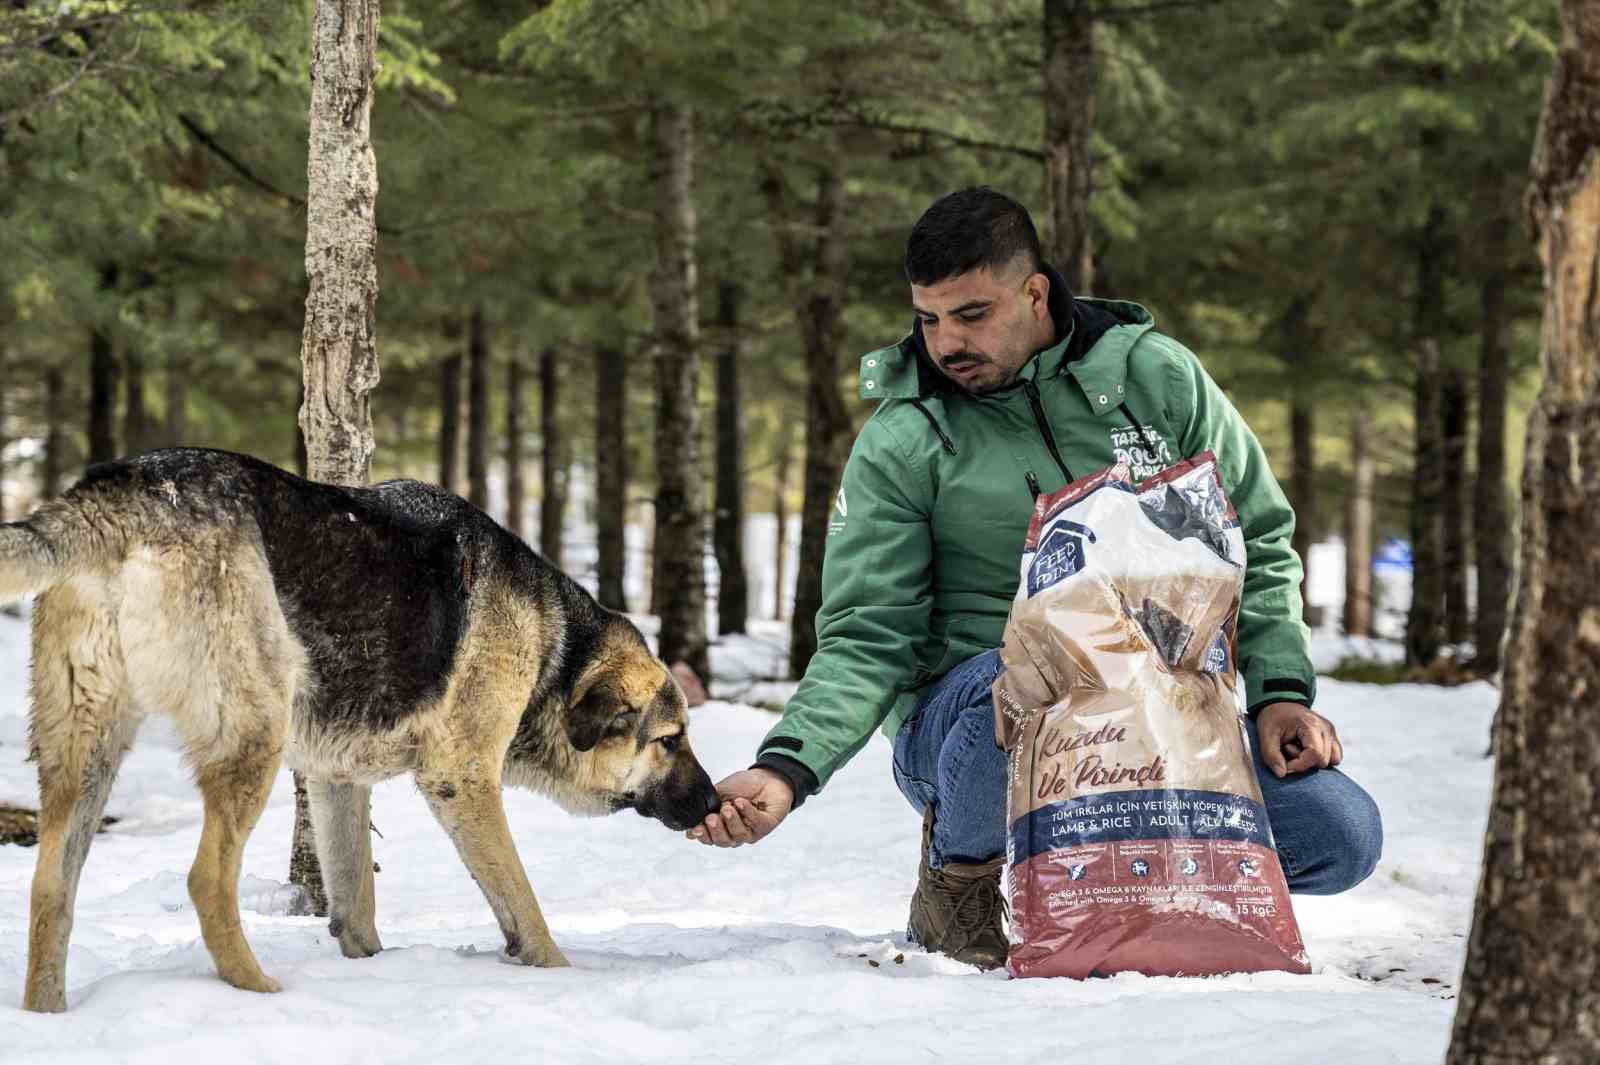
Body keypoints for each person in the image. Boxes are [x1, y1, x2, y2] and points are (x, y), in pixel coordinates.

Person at [687, 187, 1383, 970]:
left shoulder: (1158, 380)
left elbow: (1257, 535)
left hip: (1160, 720)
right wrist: (787, 767)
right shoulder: (907, 438)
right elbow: (867, 635)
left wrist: (1283, 689)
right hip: (973, 733)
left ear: (1036, 293)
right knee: (1034, 672)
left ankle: (1130, 880)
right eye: (928, 319)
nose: (946, 342)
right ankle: (959, 876)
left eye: (971, 314)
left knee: (1341, 831)